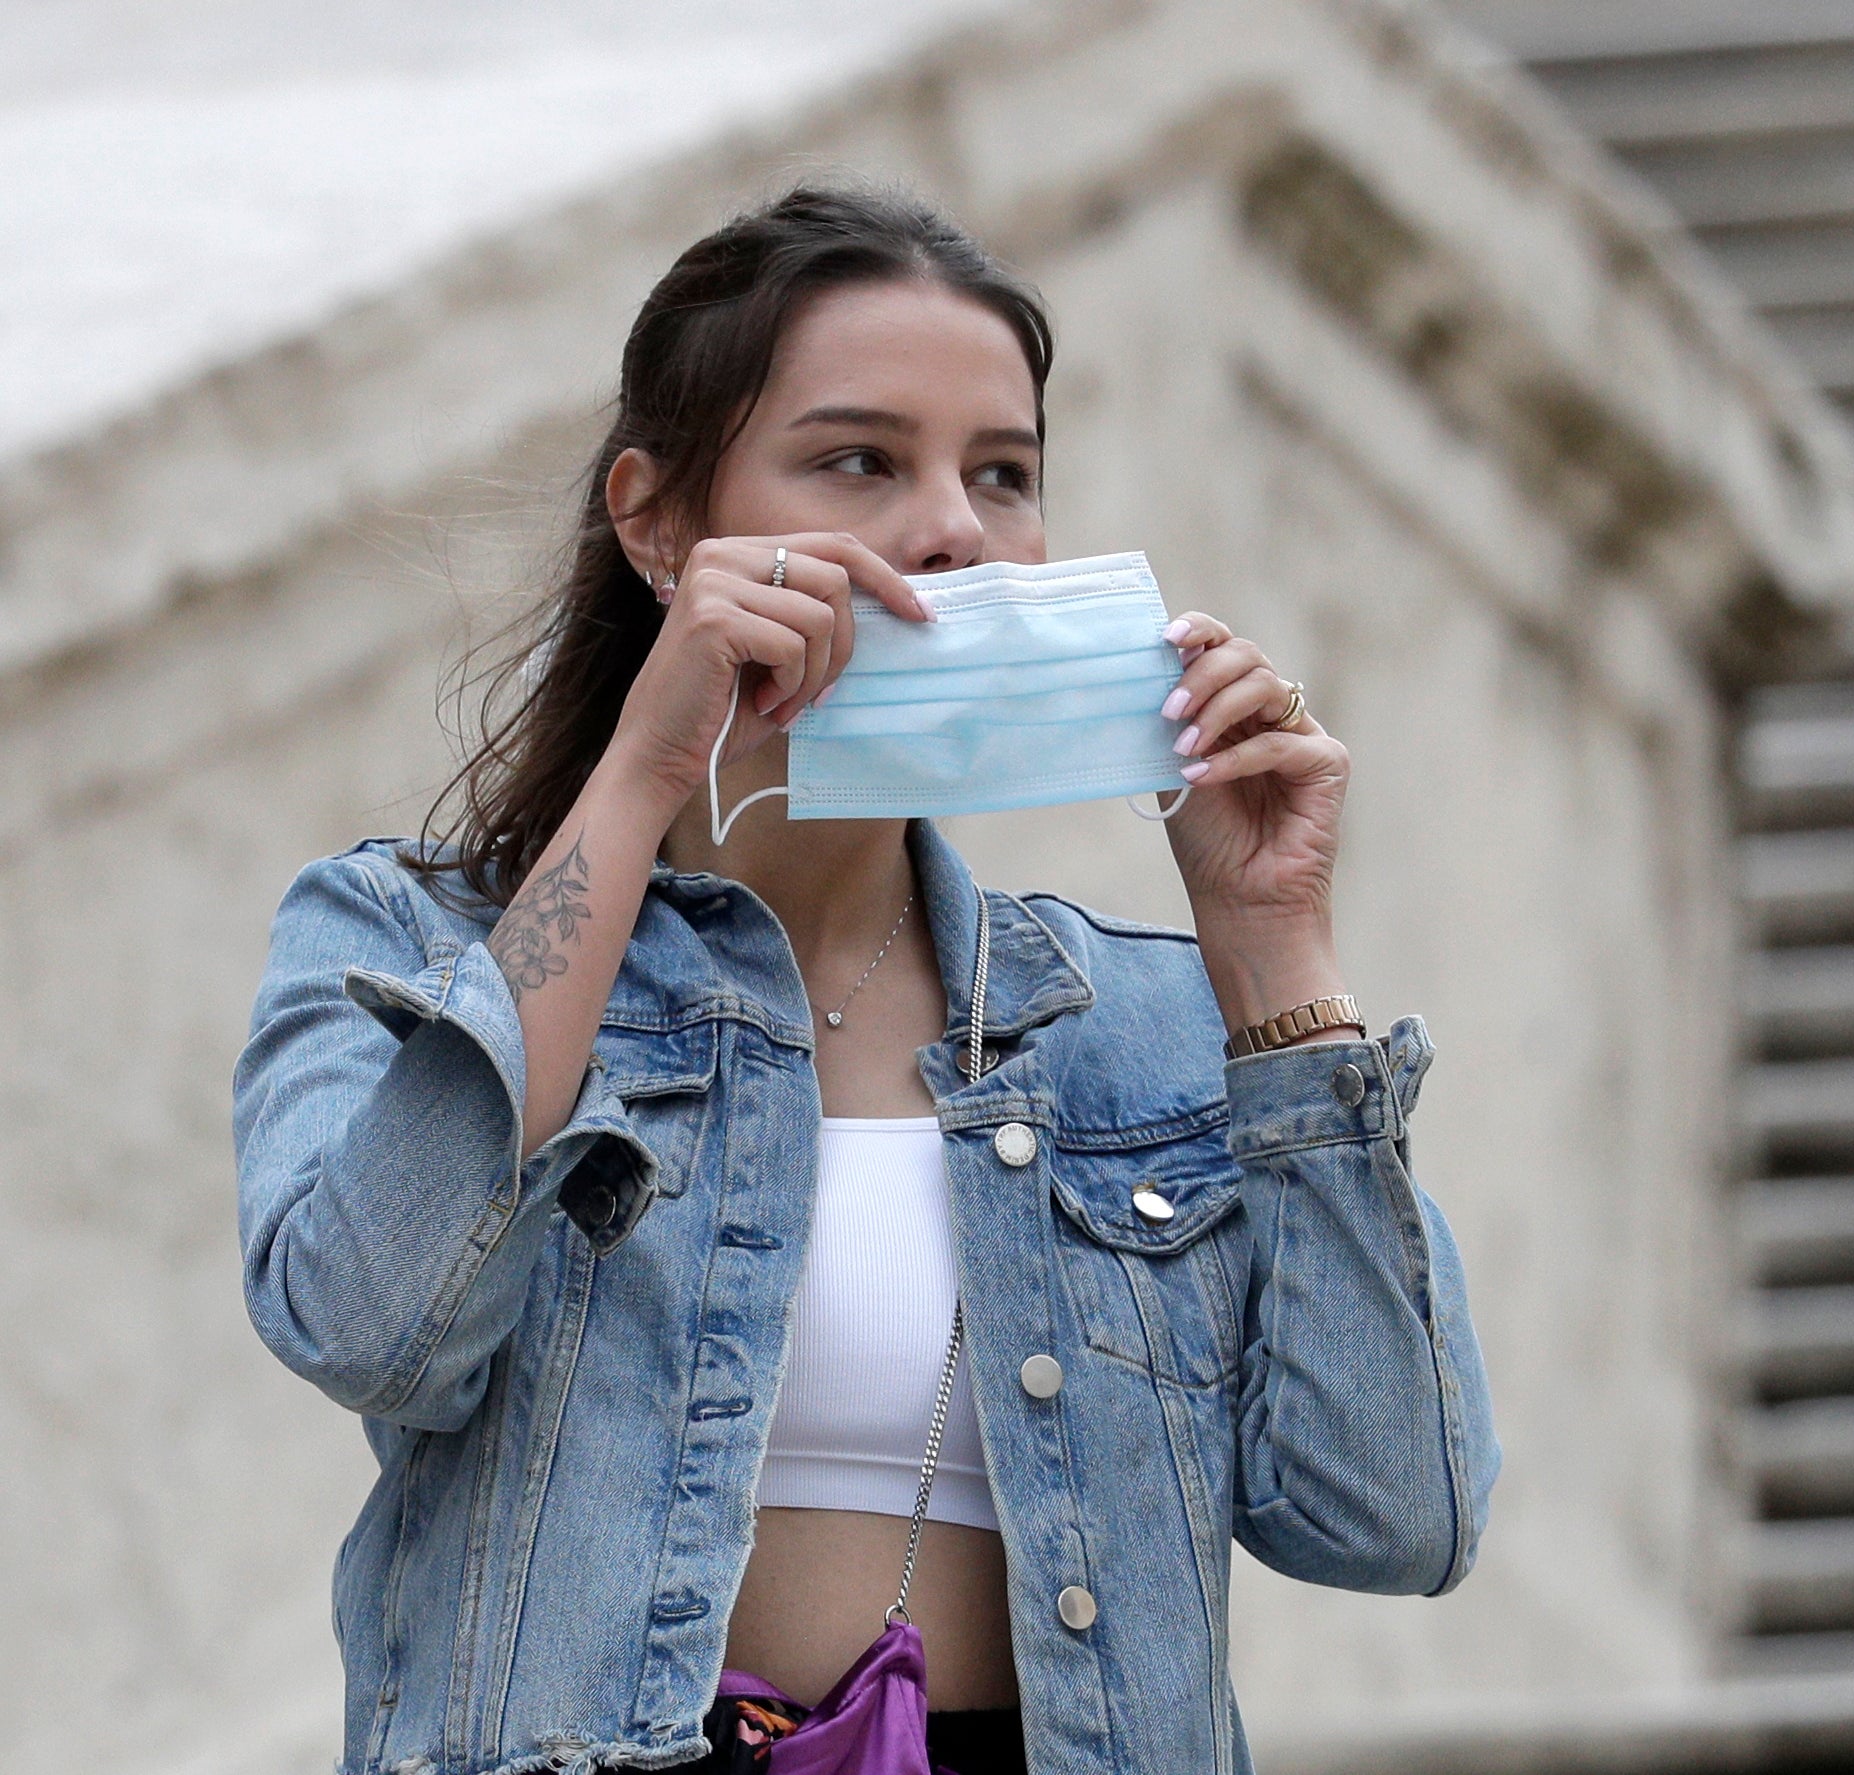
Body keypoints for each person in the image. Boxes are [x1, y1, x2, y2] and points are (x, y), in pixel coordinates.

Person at [232, 184, 1498, 1775]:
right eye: (859, 462)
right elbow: (369, 1327)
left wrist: (1275, 958)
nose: (955, 530)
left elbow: (1393, 1515)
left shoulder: (1150, 1024)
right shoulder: (403, 943)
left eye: (1005, 476)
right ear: (658, 522)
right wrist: (643, 770)